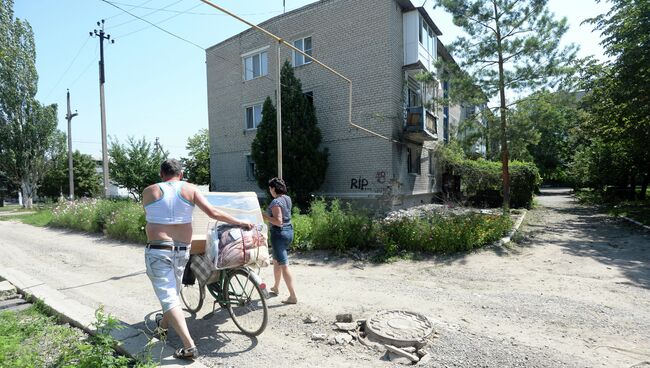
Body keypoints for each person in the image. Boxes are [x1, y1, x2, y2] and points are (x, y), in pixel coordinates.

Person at [142, 158, 252, 360]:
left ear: (161, 174)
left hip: (159, 250)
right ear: (181, 174)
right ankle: (163, 328)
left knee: (169, 296)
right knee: (172, 293)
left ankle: (189, 345)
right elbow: (213, 212)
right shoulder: (190, 189)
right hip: (182, 250)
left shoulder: (149, 191)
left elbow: (154, 215)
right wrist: (240, 221)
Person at [262, 177, 297, 304]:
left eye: (270, 188)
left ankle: (293, 296)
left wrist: (264, 216)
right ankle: (276, 287)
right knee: (276, 261)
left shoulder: (275, 202)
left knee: (284, 265)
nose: (269, 191)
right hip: (289, 232)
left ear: (273, 188)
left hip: (279, 235)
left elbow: (278, 221)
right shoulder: (287, 198)